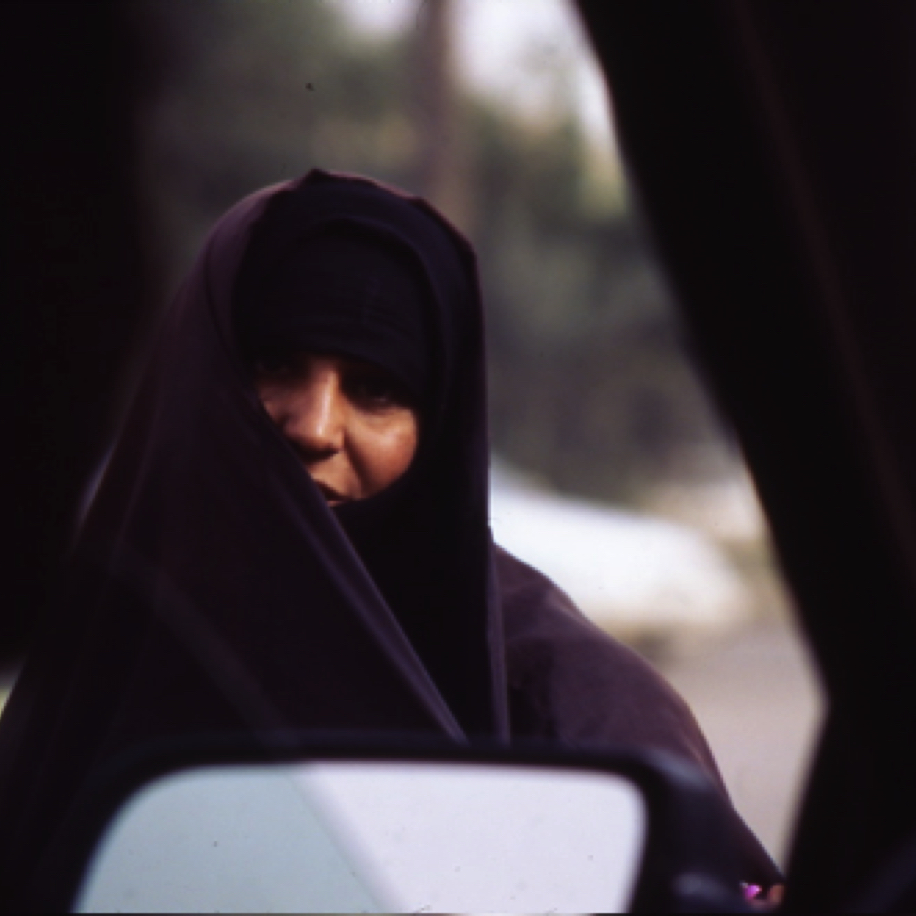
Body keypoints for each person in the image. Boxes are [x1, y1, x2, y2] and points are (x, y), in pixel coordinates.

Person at [0, 169, 782, 900]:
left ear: (437, 431)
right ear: (196, 372)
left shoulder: (572, 700)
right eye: (272, 363)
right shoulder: (103, 644)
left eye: (375, 390)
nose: (312, 426)